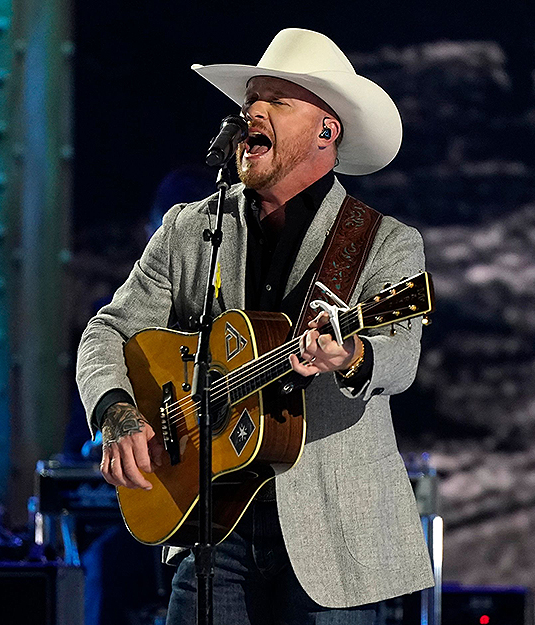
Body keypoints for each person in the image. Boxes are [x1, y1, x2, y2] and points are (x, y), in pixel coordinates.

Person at [76, 28, 432, 625]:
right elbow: (107, 331)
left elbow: (401, 357)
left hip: (336, 537)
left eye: (278, 100)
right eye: (251, 100)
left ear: (328, 129)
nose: (252, 112)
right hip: (211, 528)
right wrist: (116, 412)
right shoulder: (191, 230)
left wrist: (352, 357)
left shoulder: (384, 244)